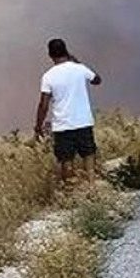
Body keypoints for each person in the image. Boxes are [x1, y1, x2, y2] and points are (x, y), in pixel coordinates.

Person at [35, 38, 102, 183]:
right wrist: (76, 62)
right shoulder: (80, 69)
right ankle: (92, 188)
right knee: (88, 155)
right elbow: (97, 80)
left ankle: (72, 192)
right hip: (83, 121)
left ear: (50, 55)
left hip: (63, 125)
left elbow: (43, 105)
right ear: (66, 51)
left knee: (66, 160)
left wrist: (38, 126)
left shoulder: (48, 76)